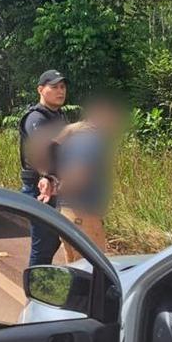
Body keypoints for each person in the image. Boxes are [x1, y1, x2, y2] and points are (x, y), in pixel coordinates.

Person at [50, 93, 127, 262]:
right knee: (91, 268)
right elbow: (78, 174)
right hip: (84, 216)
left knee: (74, 267)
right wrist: (61, 187)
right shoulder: (93, 141)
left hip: (67, 213)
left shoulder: (74, 138)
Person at [18, 69, 69, 266]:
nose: (60, 91)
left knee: (55, 242)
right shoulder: (36, 118)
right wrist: (46, 176)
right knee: (43, 247)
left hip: (58, 188)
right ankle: (34, 283)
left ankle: (43, 279)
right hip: (40, 189)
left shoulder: (59, 116)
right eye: (54, 87)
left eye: (63, 87)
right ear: (40, 90)